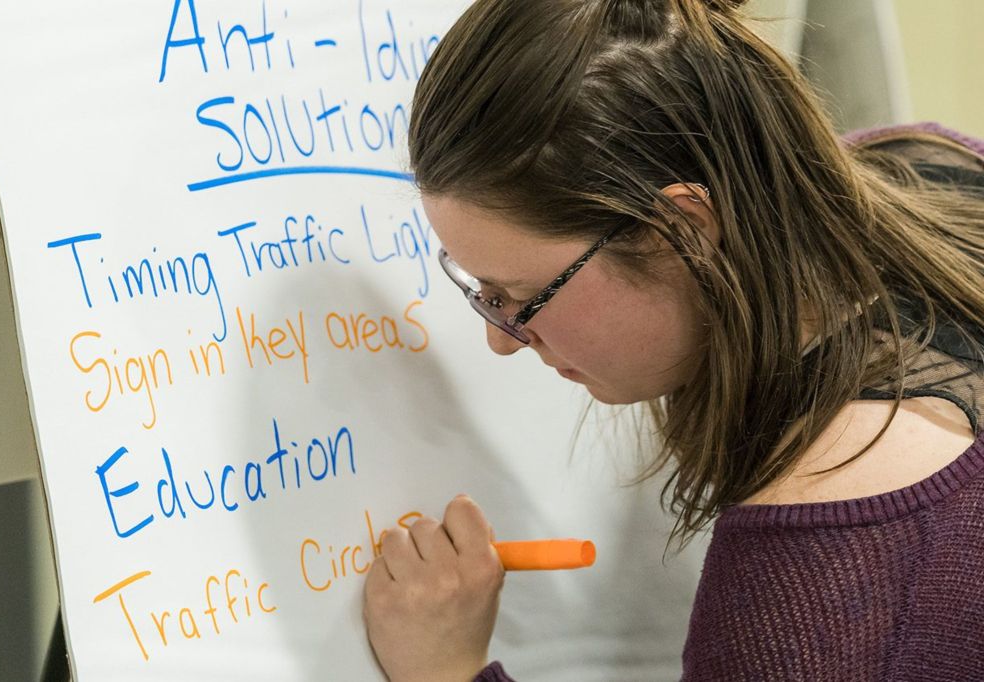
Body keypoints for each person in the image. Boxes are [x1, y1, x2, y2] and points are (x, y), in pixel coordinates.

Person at [362, 0, 984, 680]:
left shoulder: (816, 555)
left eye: (521, 298)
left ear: (682, 230)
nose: (502, 341)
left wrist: (448, 669)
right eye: (480, 293)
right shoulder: (933, 164)